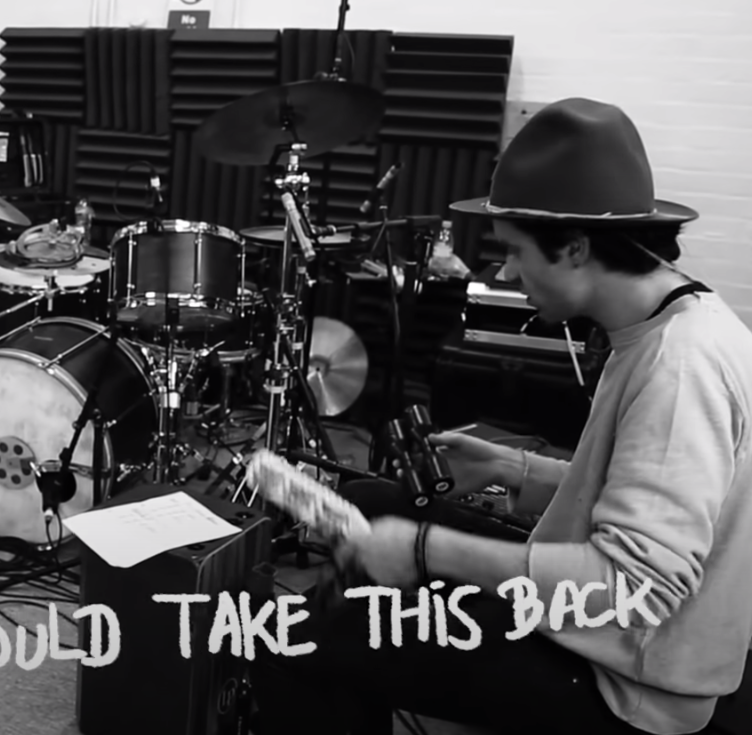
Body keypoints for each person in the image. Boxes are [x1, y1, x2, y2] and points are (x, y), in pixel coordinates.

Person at [248, 98, 752, 735]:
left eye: (515, 251)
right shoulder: (670, 321)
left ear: (572, 247)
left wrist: (427, 553)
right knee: (378, 501)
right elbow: (635, 492)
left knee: (285, 638)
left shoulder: (681, 366)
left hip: (625, 686)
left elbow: (634, 589)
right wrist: (509, 466)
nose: (507, 271)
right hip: (603, 641)